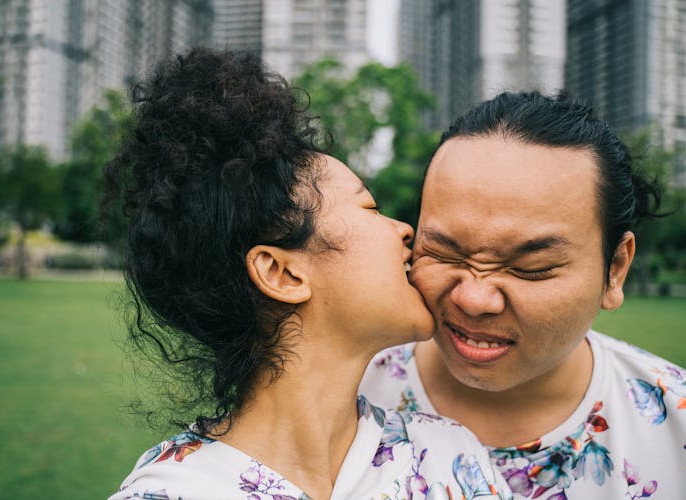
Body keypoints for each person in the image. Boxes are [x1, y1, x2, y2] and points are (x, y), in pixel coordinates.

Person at [106, 47, 511, 500]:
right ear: (281, 272)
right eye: (370, 207)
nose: (405, 230)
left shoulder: (451, 460)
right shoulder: (175, 492)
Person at [360, 91, 686, 498]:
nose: (474, 299)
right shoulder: (346, 393)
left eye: (529, 269)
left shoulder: (680, 428)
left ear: (615, 269)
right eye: (444, 252)